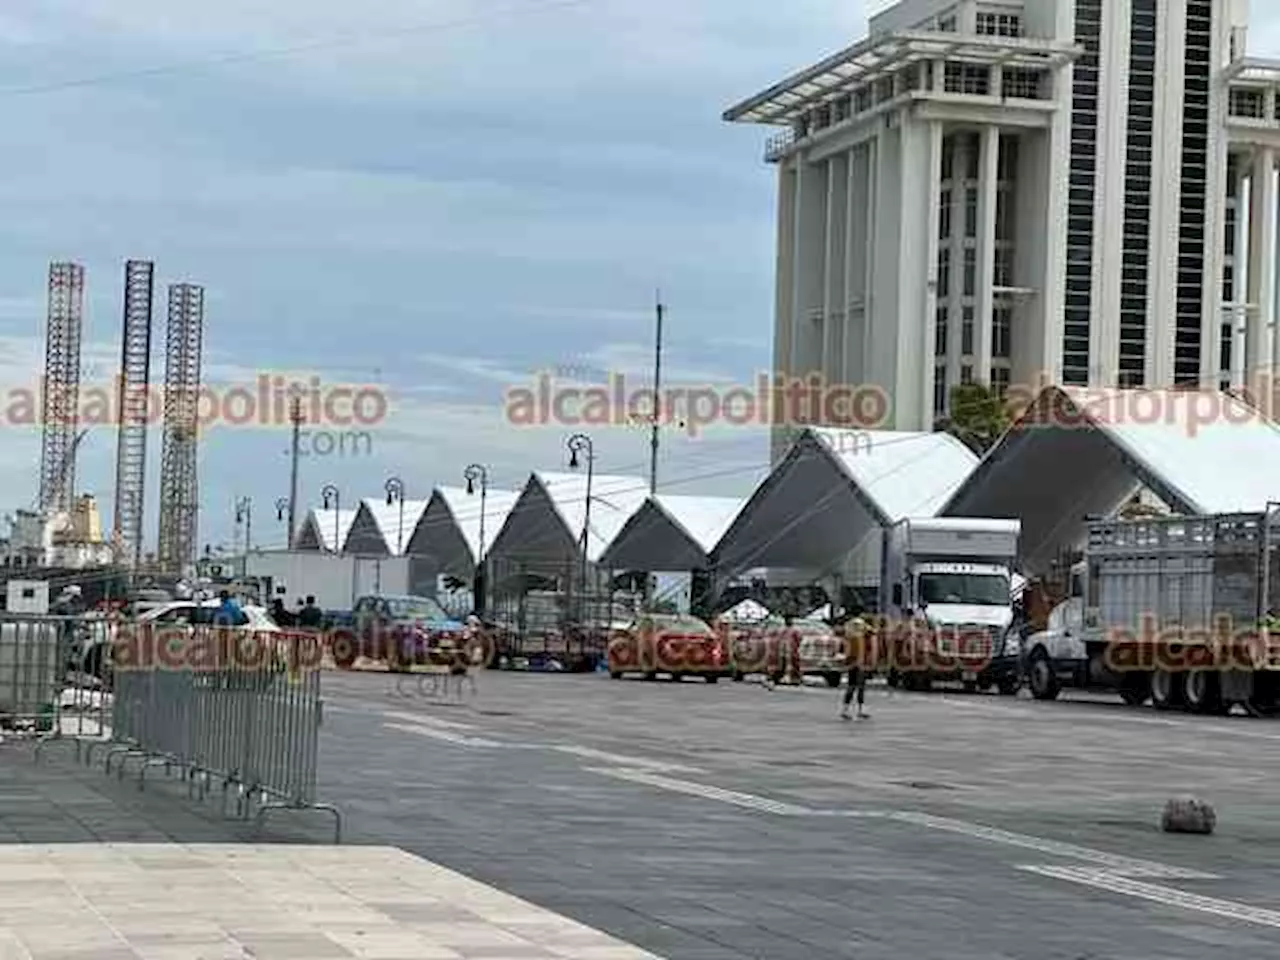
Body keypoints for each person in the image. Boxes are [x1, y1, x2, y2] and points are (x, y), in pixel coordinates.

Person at [840, 613, 871, 721]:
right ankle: (860, 710)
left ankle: (845, 709)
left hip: (851, 662)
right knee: (860, 687)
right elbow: (872, 632)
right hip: (859, 662)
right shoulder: (861, 629)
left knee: (851, 686)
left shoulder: (849, 629)